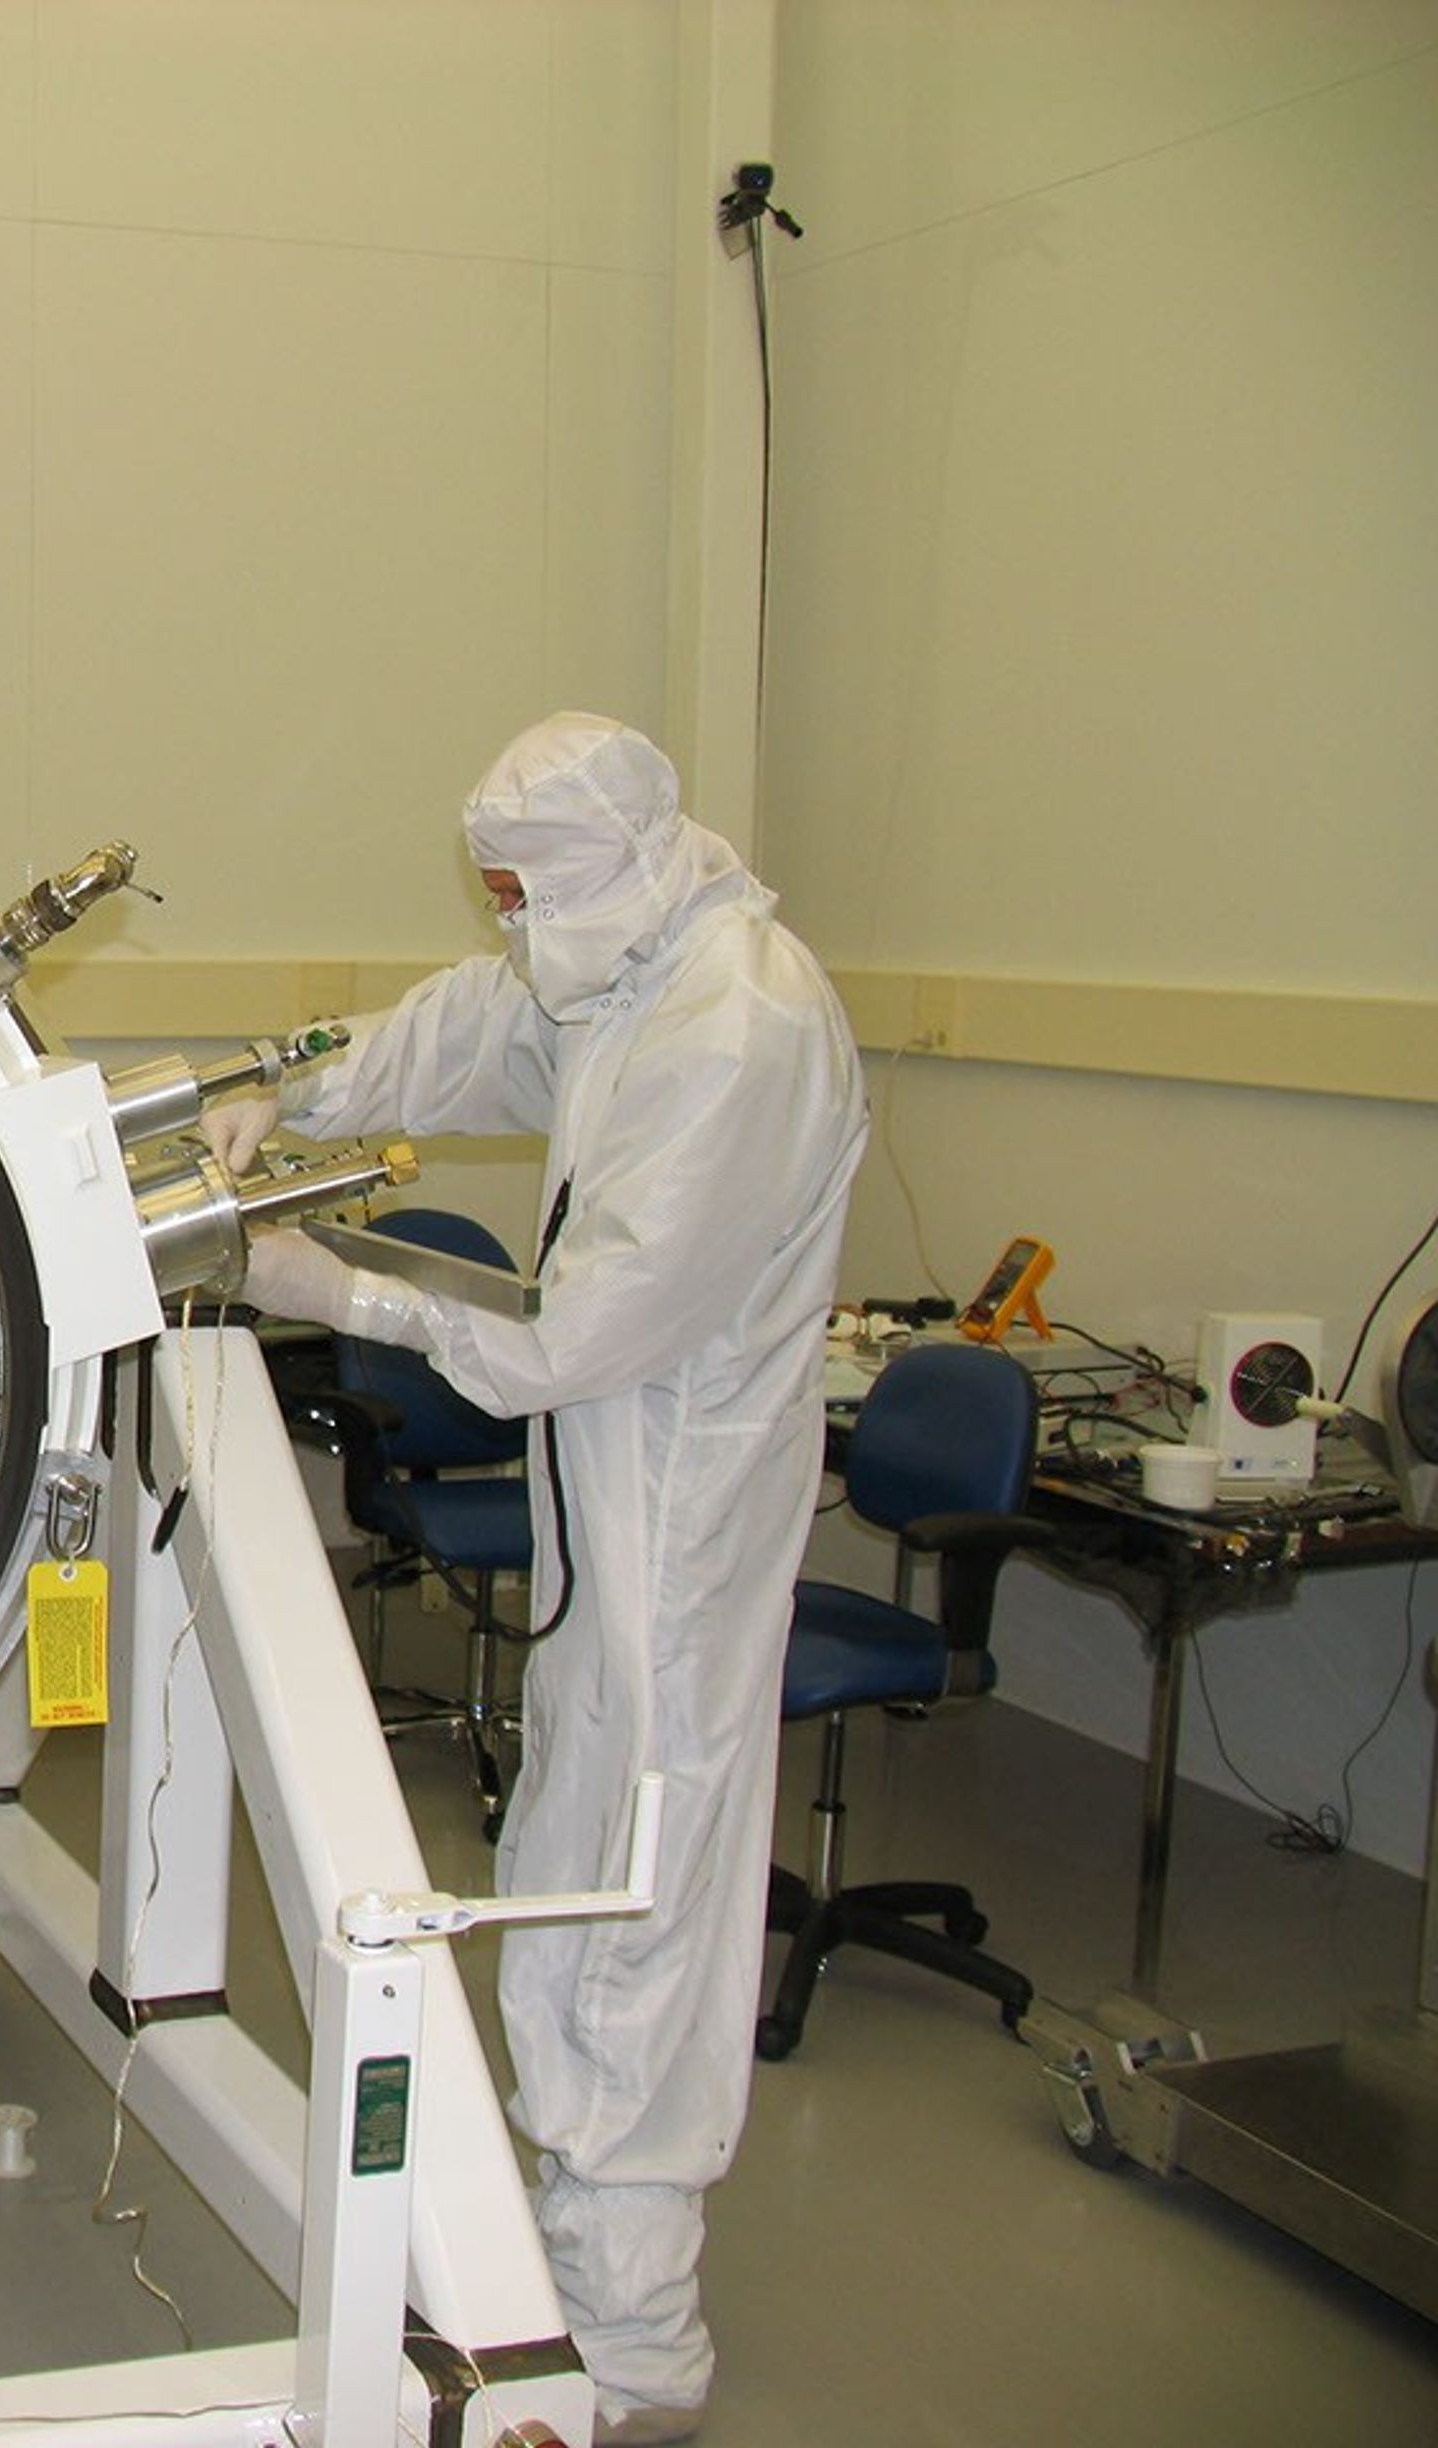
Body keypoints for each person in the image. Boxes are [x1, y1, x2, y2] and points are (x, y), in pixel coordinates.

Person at [207, 712, 865, 2448]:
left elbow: (578, 1338)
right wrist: (281, 1091)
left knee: (647, 1870)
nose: (511, 925)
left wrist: (339, 1290)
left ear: (614, 866)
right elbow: (468, 1030)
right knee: (581, 1835)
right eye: (496, 892)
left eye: (525, 895)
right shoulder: (618, 965)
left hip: (685, 1495)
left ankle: (637, 2341)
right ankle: (567, 2255)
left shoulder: (739, 1023)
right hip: (616, 1476)